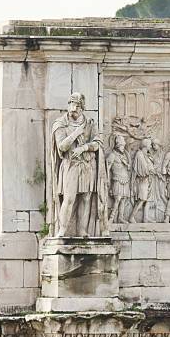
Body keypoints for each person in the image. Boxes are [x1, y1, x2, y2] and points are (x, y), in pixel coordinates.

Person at [51, 92, 108, 237]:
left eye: (76, 107)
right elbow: (62, 146)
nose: (73, 109)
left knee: (86, 198)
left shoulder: (90, 123)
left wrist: (84, 147)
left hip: (88, 164)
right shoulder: (61, 124)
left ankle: (82, 230)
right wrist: (76, 133)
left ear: (82, 108)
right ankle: (63, 230)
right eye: (70, 105)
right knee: (69, 198)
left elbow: (98, 143)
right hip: (70, 164)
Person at [129, 138, 156, 223]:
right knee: (142, 199)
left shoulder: (146, 155)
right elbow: (143, 168)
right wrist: (150, 170)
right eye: (150, 144)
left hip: (148, 180)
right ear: (146, 145)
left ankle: (145, 218)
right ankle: (131, 217)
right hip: (142, 179)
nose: (151, 146)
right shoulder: (139, 154)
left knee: (147, 199)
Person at [106, 134, 131, 223]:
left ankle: (120, 218)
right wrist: (107, 180)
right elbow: (107, 168)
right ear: (118, 145)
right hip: (117, 179)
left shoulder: (124, 155)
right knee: (117, 199)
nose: (123, 147)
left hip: (125, 179)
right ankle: (111, 218)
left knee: (123, 199)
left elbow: (128, 167)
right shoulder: (112, 155)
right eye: (122, 145)